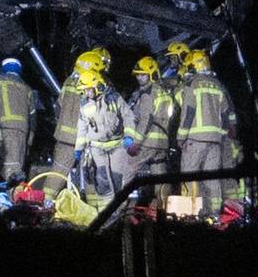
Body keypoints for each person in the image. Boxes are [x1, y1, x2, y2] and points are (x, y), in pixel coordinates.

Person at [176, 49, 236, 216]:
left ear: (194, 66)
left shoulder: (192, 84)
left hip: (195, 139)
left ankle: (189, 215)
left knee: (188, 177)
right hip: (215, 141)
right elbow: (225, 114)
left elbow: (188, 112)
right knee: (212, 179)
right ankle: (214, 215)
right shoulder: (217, 85)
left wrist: (181, 137)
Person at [39, 50, 105, 200]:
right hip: (85, 138)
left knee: (58, 172)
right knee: (90, 173)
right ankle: (94, 209)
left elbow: (59, 104)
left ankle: (44, 204)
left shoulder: (69, 82)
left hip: (65, 137)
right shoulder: (93, 84)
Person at [121, 56, 178, 205]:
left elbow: (146, 119)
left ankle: (121, 205)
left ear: (152, 74)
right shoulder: (163, 91)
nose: (139, 78)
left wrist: (136, 143)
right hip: (162, 143)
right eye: (138, 74)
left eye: (143, 74)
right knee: (160, 177)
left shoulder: (148, 93)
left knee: (128, 168)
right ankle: (163, 209)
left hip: (147, 142)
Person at [74, 68, 129, 210]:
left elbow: (128, 117)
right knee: (102, 181)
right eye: (84, 90)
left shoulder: (114, 99)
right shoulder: (85, 105)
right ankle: (105, 214)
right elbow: (82, 128)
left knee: (117, 180)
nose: (86, 93)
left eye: (88, 89)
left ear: (98, 86)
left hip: (117, 147)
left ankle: (121, 213)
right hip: (97, 148)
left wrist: (129, 136)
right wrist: (78, 149)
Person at [0, 57, 37, 184]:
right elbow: (33, 116)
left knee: (9, 169)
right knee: (16, 165)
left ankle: (11, 199)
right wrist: (30, 139)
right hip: (22, 131)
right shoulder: (27, 88)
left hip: (3, 128)